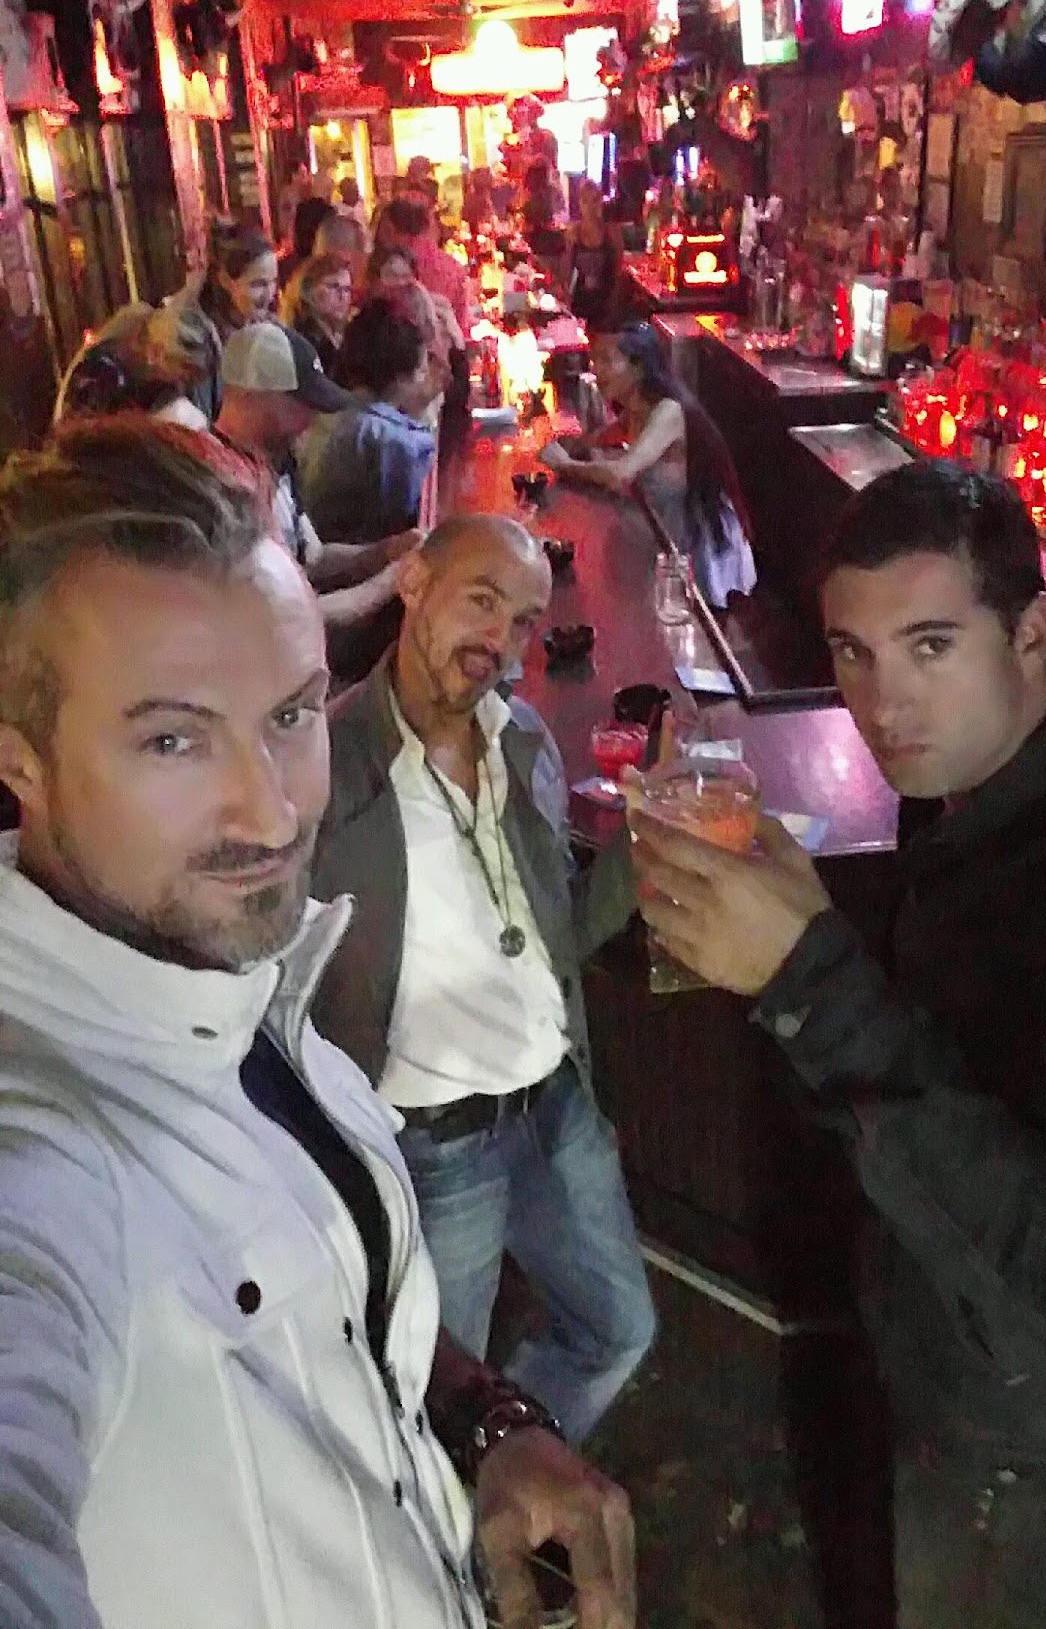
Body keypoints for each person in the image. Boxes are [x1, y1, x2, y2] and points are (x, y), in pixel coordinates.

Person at [0, 417, 636, 1629]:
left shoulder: (252, 993)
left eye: (291, 715)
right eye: (173, 738)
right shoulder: (40, 1154)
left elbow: (344, 1312)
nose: (273, 809)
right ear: (18, 759)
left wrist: (483, 1422)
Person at [629, 462, 1046, 1628]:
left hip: (1033, 1465)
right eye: (853, 653)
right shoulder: (969, 801)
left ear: (1032, 634)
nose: (885, 706)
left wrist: (810, 977)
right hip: (938, 1373)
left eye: (930, 647)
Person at [311, 513, 656, 1448]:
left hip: (554, 1104)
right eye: (482, 601)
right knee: (427, 1396)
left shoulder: (523, 740)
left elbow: (552, 933)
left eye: (523, 622)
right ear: (413, 583)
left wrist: (645, 844)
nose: (500, 640)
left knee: (619, 1330)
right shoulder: (326, 767)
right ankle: (455, 1507)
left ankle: (499, 1476)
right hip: (434, 1143)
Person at [215, 319, 413, 637]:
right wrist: (394, 578)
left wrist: (386, 550)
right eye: (302, 404)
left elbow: (313, 558)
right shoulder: (217, 488)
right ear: (253, 395)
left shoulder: (277, 464)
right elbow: (279, 615)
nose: (312, 418)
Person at [541, 321, 755, 608]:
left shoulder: (668, 411)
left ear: (639, 367)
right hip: (667, 535)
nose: (596, 370)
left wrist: (564, 464)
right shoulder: (635, 411)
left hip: (699, 548)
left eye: (606, 360)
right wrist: (570, 442)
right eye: (594, 360)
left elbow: (620, 474)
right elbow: (598, 438)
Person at [299, 293, 439, 545]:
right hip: (355, 558)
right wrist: (421, 413)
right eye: (421, 370)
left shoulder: (330, 414)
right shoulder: (388, 438)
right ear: (402, 378)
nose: (425, 378)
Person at [153, 220, 278, 422]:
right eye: (258, 284)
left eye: (273, 282)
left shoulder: (262, 325)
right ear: (225, 280)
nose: (270, 294)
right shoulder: (190, 338)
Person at [54, 303, 208, 431]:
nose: (182, 381)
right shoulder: (102, 374)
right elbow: (81, 436)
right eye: (184, 370)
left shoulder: (149, 383)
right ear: (156, 353)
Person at [379, 193, 471, 338]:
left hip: (394, 349)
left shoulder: (383, 267)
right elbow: (462, 328)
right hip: (441, 348)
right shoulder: (454, 268)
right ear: (429, 224)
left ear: (390, 227)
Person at [562, 180, 624, 336]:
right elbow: (567, 273)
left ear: (601, 202)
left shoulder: (612, 233)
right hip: (581, 303)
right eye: (585, 201)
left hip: (605, 305)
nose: (590, 206)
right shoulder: (574, 233)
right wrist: (566, 302)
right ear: (580, 203)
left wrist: (613, 308)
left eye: (594, 200)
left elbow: (618, 274)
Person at [281, 249, 354, 376]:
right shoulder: (303, 339)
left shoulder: (349, 334)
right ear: (308, 289)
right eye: (334, 286)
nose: (342, 296)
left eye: (347, 289)